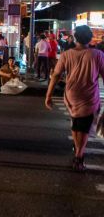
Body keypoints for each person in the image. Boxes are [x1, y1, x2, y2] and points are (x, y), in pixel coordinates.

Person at [45, 25, 104, 172]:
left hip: (71, 95)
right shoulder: (97, 54)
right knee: (84, 127)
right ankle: (79, 156)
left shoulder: (66, 54)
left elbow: (56, 75)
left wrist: (48, 95)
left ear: (75, 38)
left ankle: (78, 150)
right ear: (89, 38)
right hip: (89, 95)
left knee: (76, 123)